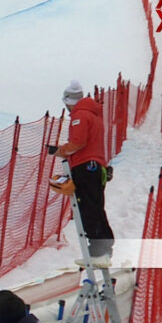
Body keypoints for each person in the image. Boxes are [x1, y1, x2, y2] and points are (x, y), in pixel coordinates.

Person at [48, 80, 114, 267]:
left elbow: (77, 142)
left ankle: (98, 251)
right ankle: (103, 248)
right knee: (96, 206)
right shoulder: (93, 114)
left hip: (85, 166)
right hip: (95, 165)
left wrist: (59, 151)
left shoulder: (81, 115)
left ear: (70, 101)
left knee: (88, 208)